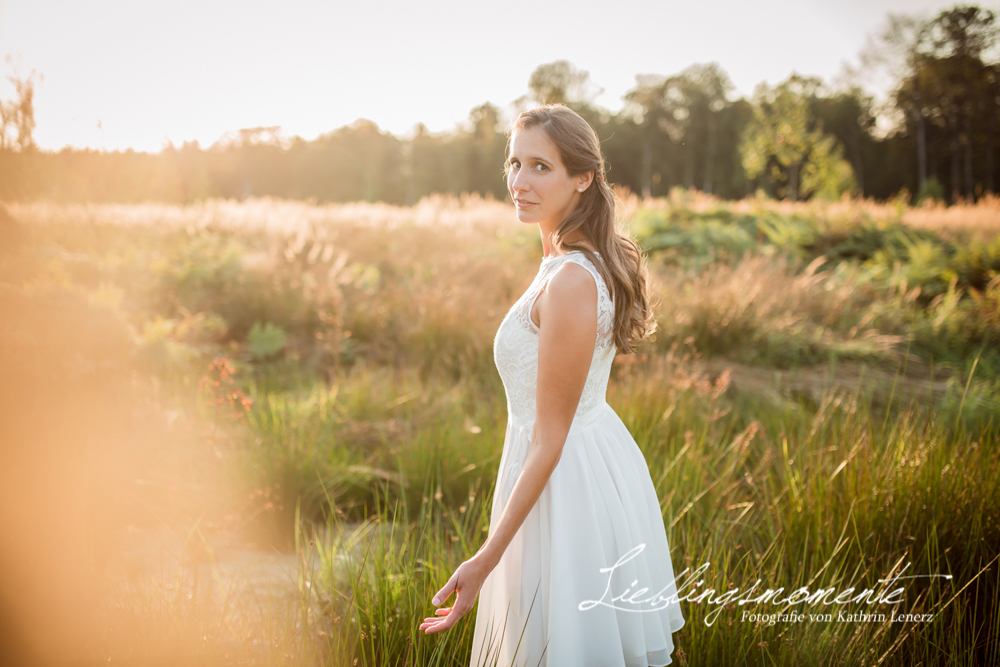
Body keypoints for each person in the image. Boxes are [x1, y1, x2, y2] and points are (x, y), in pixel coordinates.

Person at [419, 104, 685, 666]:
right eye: (514, 163)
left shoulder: (570, 279)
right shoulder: (562, 264)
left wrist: (486, 558)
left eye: (541, 167)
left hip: (566, 488)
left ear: (583, 177)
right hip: (567, 466)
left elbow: (550, 437)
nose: (519, 181)